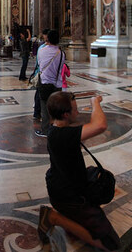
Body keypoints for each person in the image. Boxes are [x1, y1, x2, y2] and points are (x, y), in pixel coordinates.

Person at [37, 92, 120, 250]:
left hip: (63, 186)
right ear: (66, 114)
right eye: (75, 109)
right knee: (110, 244)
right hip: (68, 197)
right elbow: (100, 125)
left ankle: (63, 215)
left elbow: (81, 135)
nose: (79, 112)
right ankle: (52, 217)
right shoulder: (63, 135)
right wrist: (95, 102)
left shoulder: (56, 130)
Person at [35, 30, 66, 138]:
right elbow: (62, 68)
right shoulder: (61, 53)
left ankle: (45, 130)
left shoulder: (42, 51)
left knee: (44, 108)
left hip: (44, 83)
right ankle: (58, 128)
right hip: (57, 85)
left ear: (48, 38)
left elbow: (39, 64)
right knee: (57, 109)